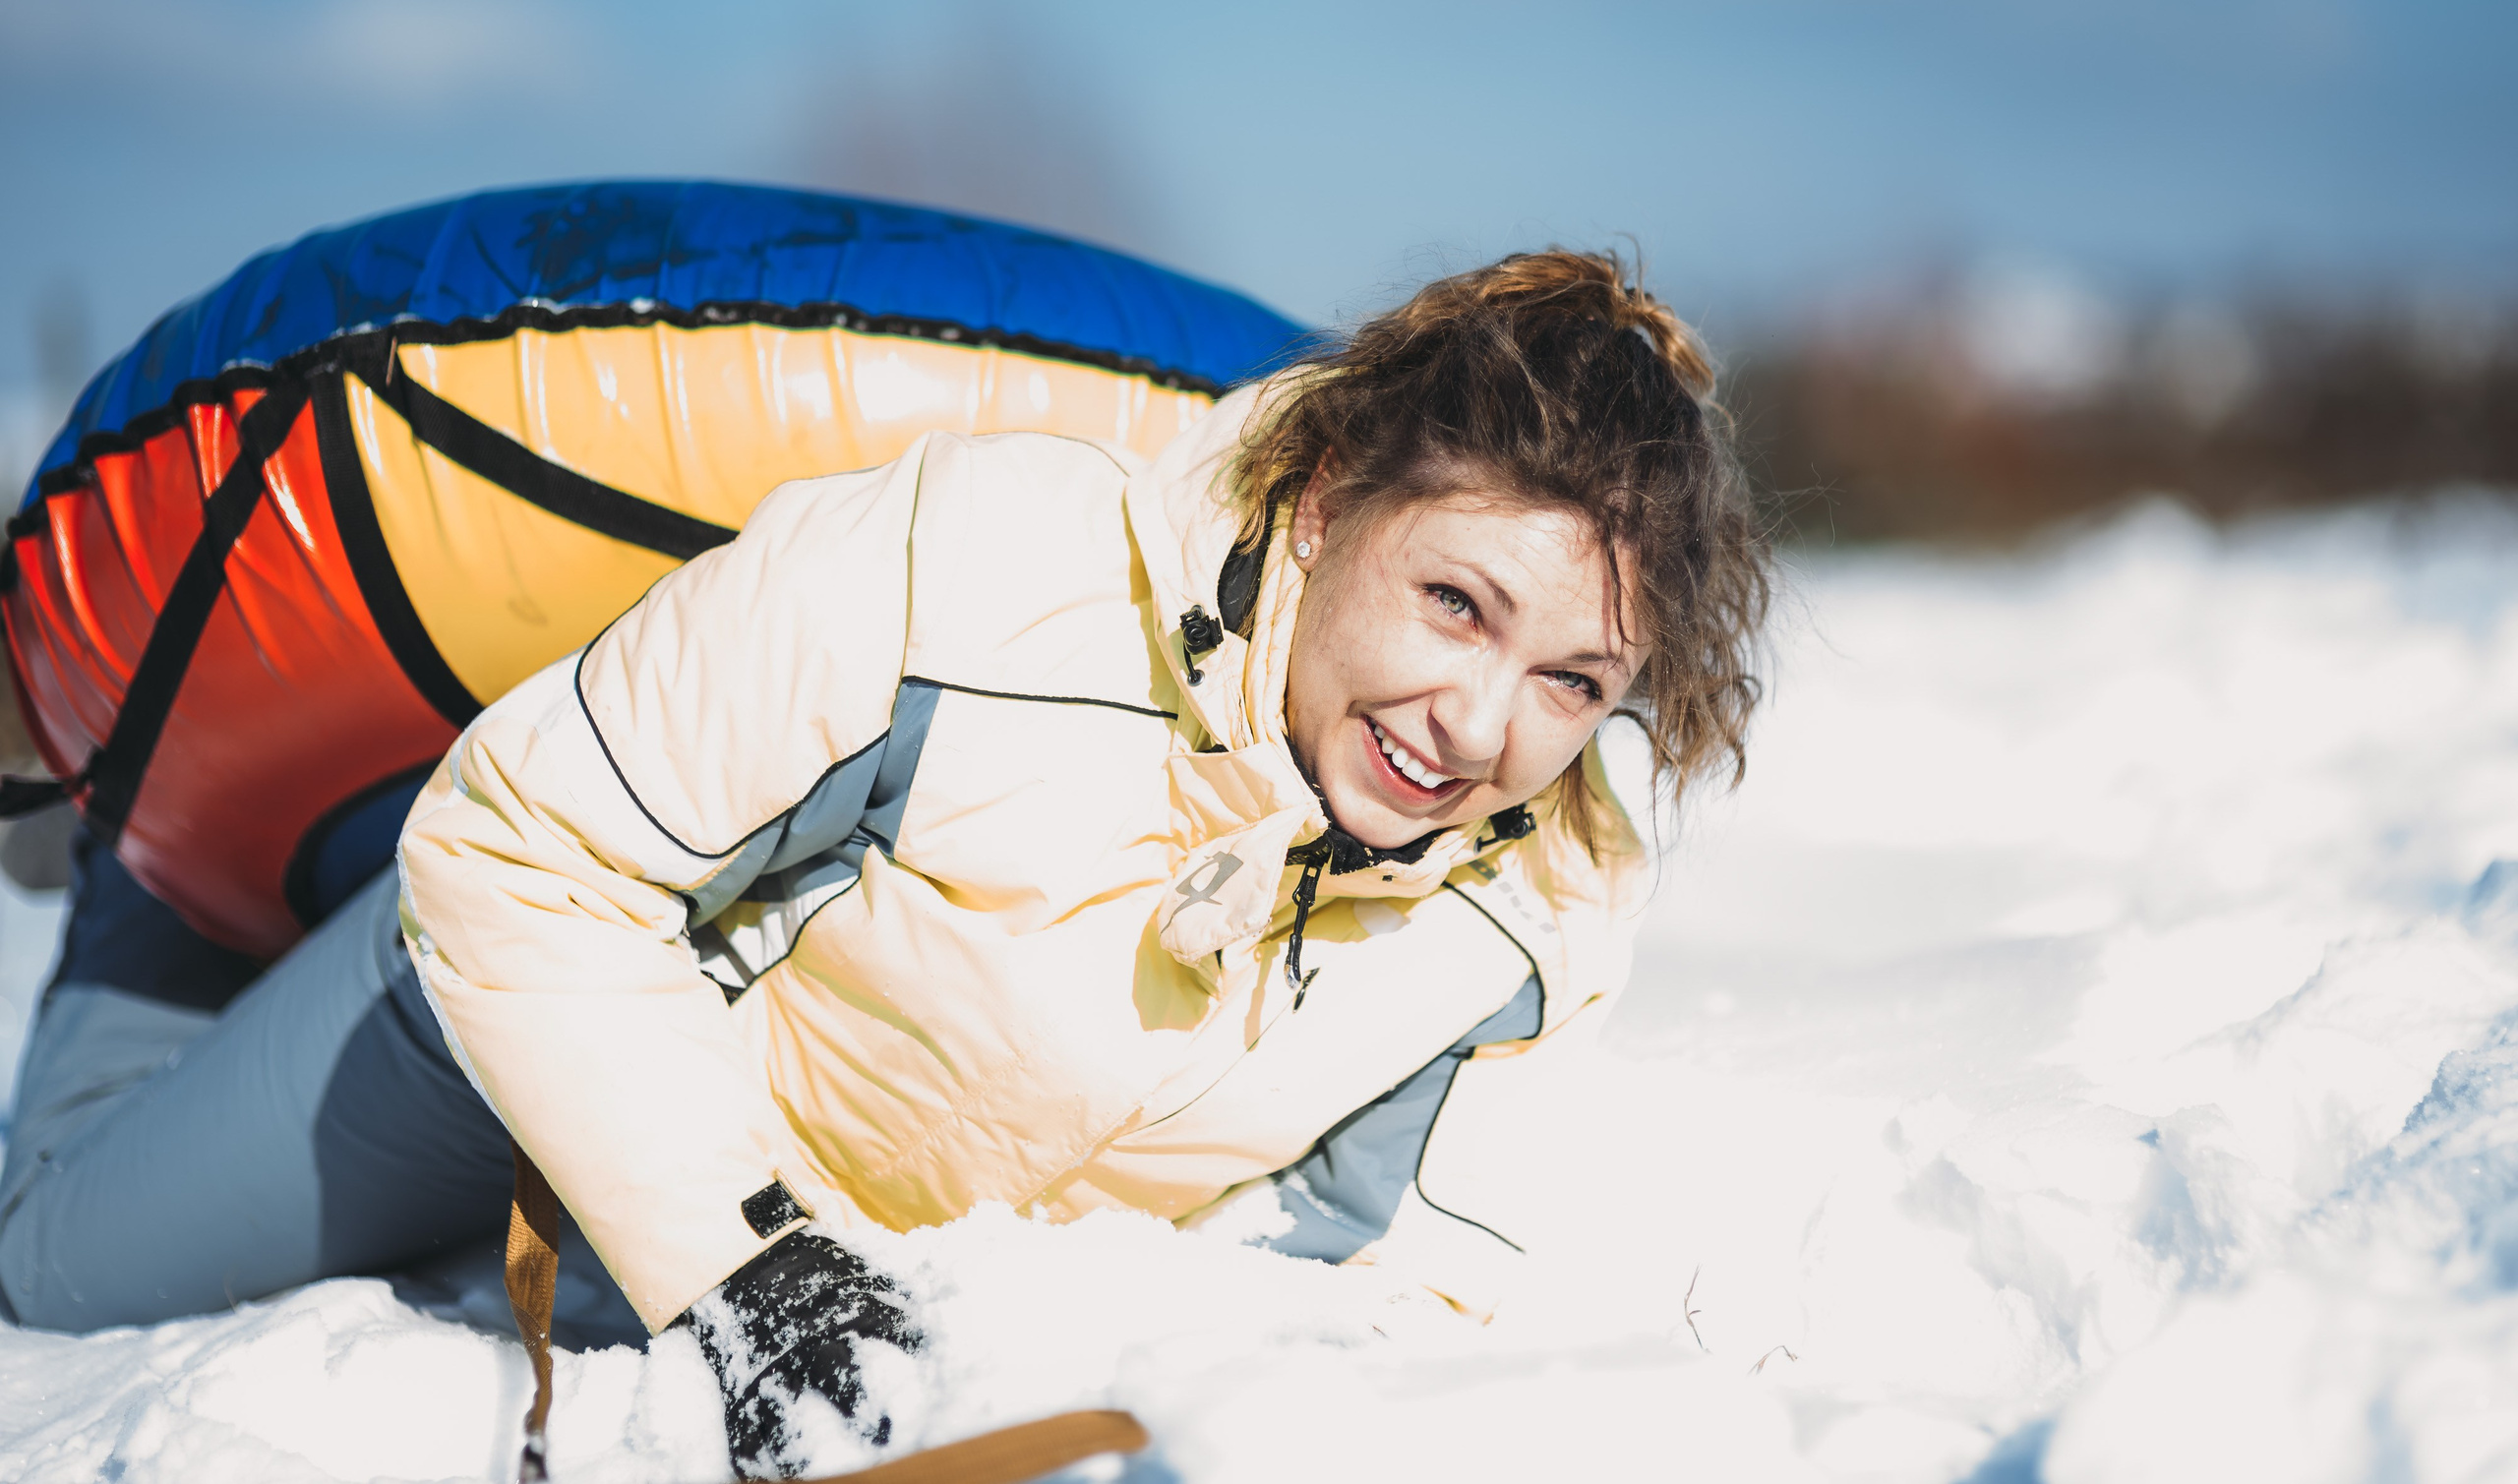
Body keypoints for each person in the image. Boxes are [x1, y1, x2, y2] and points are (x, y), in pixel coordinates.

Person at [0, 250, 1769, 1477]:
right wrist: (748, 1267)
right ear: (1322, 504)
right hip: (523, 1000)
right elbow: (528, 862)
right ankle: (165, 877)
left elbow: (1381, 1281)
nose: (1476, 725)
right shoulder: (978, 564)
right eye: (1456, 603)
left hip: (742, 1197)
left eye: (1571, 680)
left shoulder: (1541, 910)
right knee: (53, 1272)